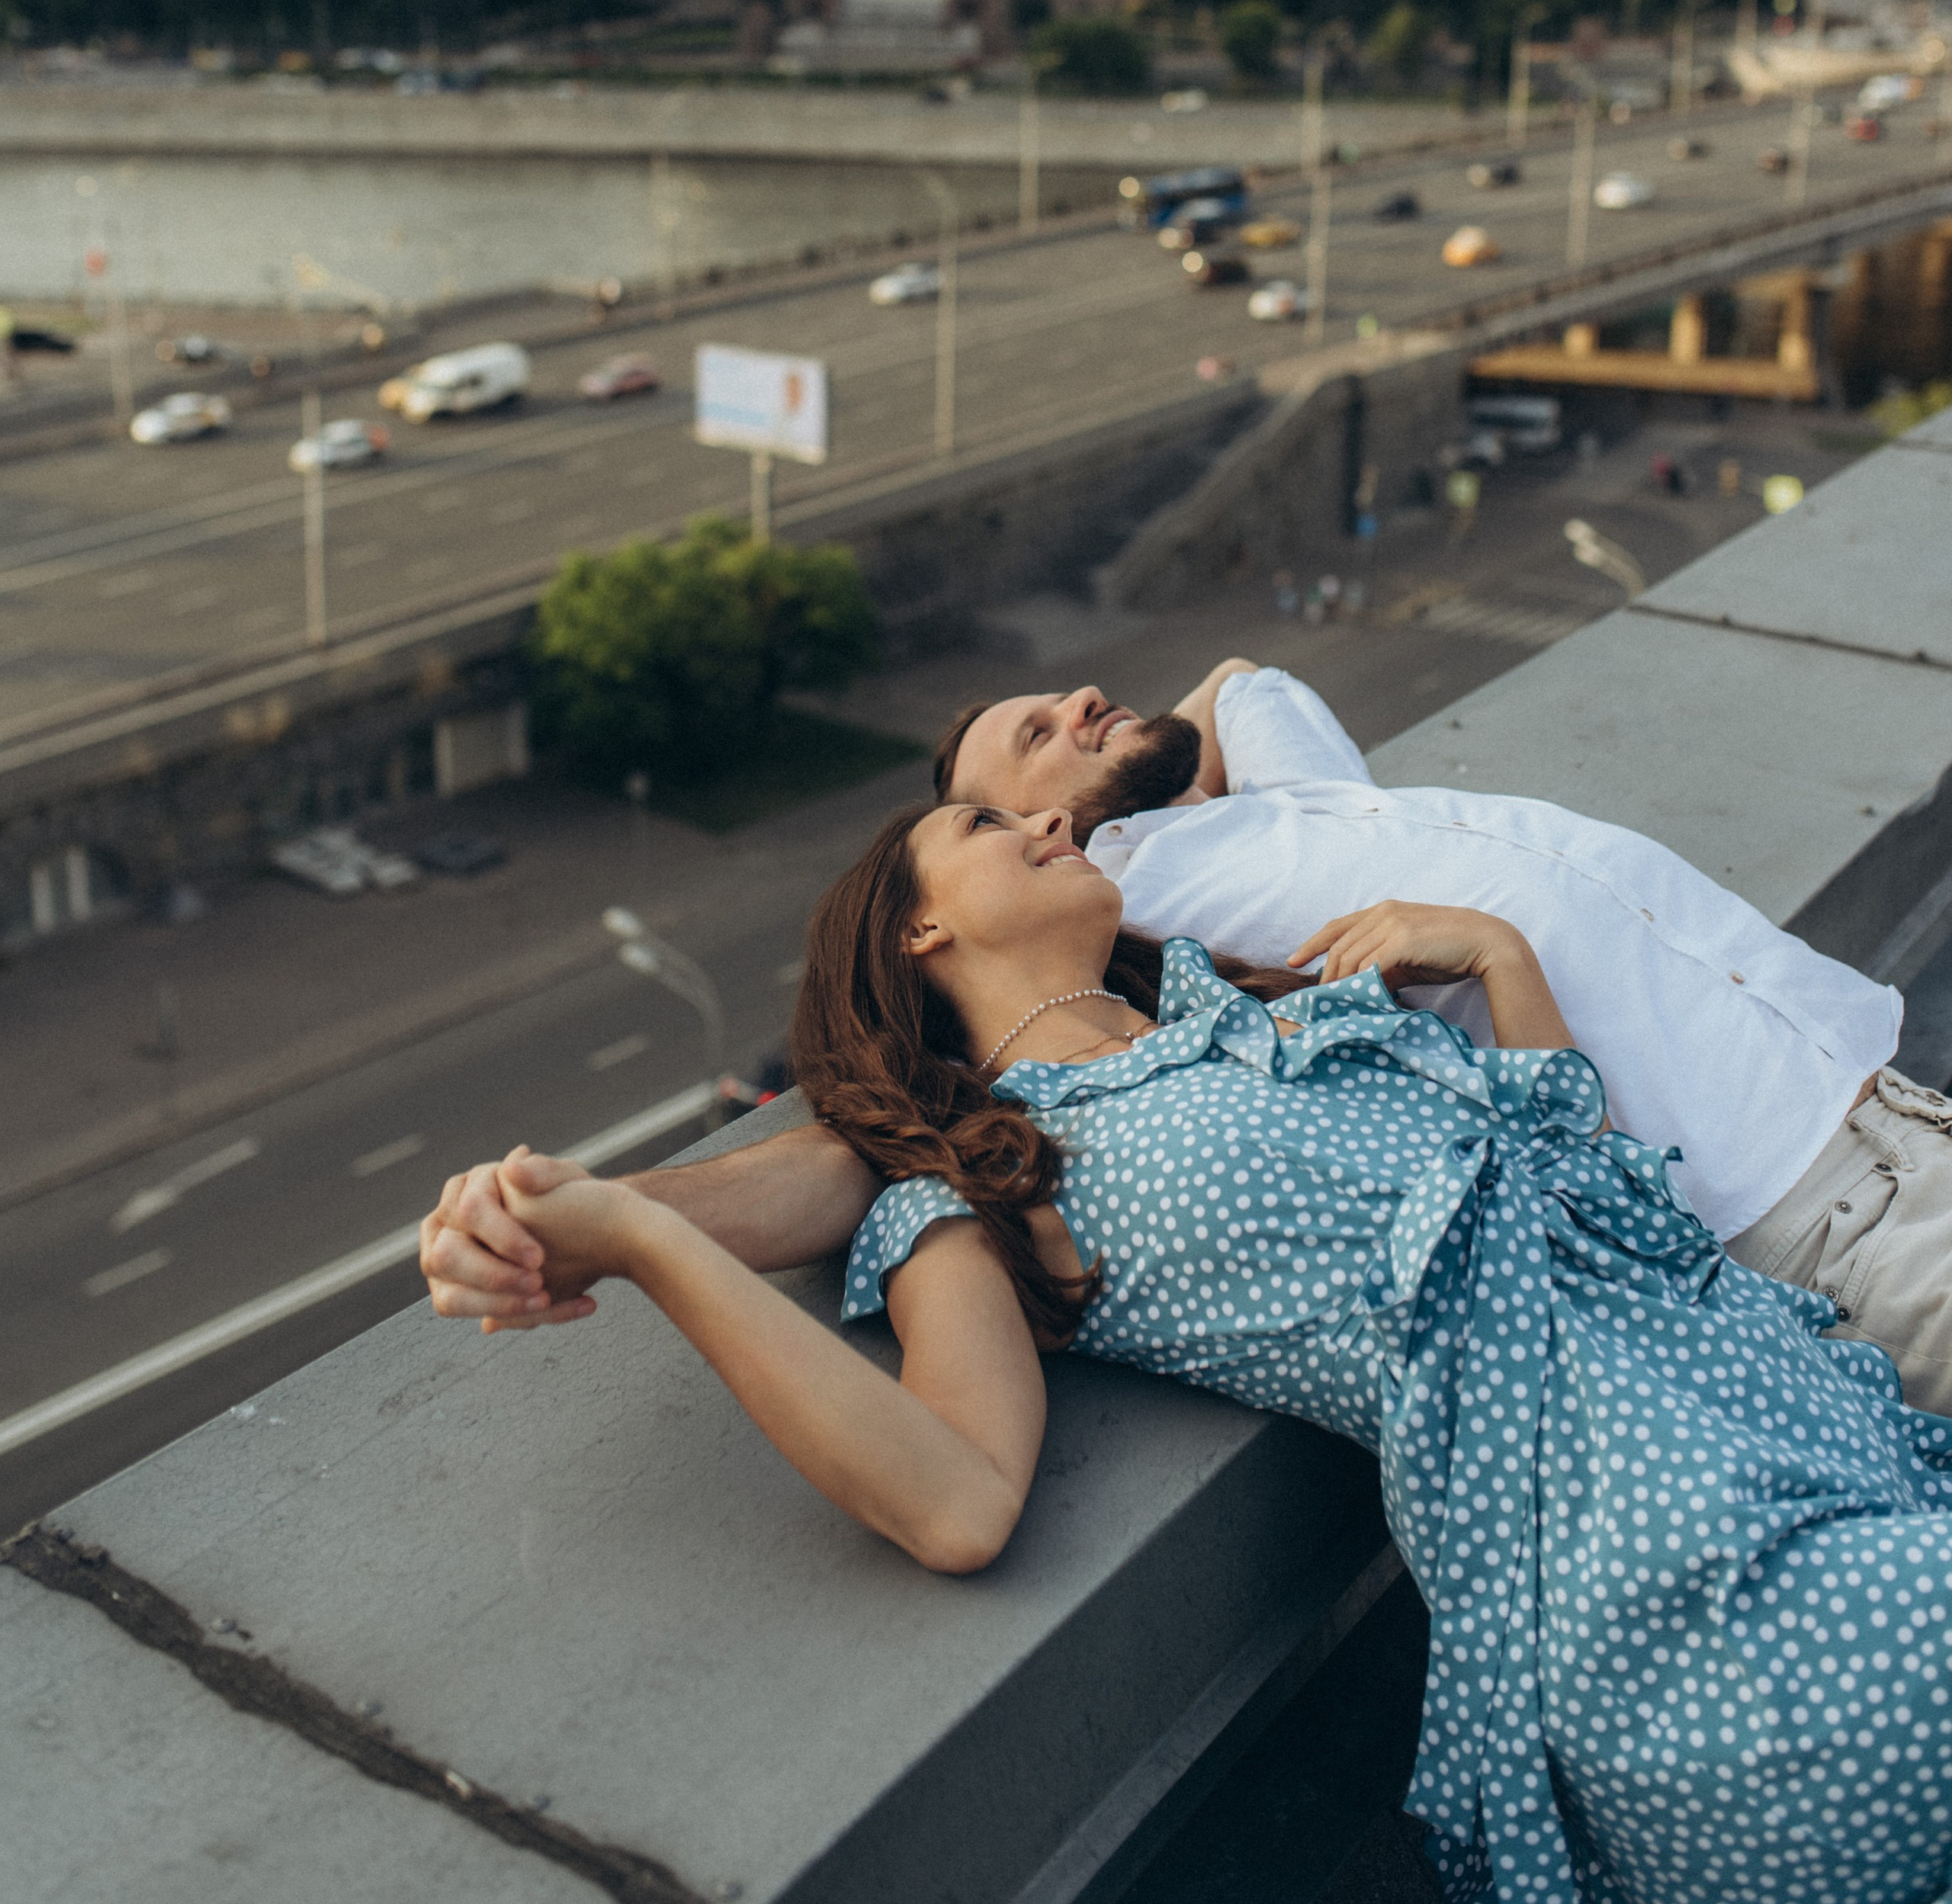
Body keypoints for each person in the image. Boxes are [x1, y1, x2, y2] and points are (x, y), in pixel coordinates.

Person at [438, 802, 1952, 1904]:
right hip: (1709, 1609)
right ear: (919, 926)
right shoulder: (984, 1179)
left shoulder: (1262, 1014)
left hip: (1830, 1443)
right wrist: (645, 1241)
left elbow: (1573, 1161)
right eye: (980, 820)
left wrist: (1493, 950)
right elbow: (955, 1499)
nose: (1040, 819)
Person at [931, 660, 1952, 1414]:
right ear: (1028, 834)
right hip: (1811, 1220)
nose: (1079, 704)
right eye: (1036, 740)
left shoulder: (1290, 814)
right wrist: (1105, 803)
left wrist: (1142, 758)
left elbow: (1248, 686)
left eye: (1067, 700)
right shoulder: (1147, 906)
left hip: (1875, 1103)